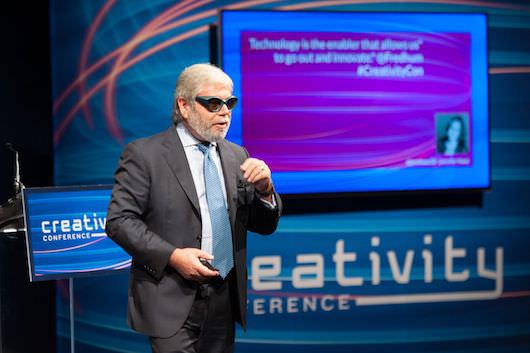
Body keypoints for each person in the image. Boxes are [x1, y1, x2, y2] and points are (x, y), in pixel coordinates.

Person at [105, 63, 282, 353]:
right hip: (170, 296)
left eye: (230, 103)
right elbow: (119, 221)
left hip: (224, 298)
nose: (225, 112)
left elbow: (264, 225)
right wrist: (173, 256)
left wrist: (265, 191)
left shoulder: (237, 156)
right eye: (213, 103)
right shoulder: (145, 155)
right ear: (184, 106)